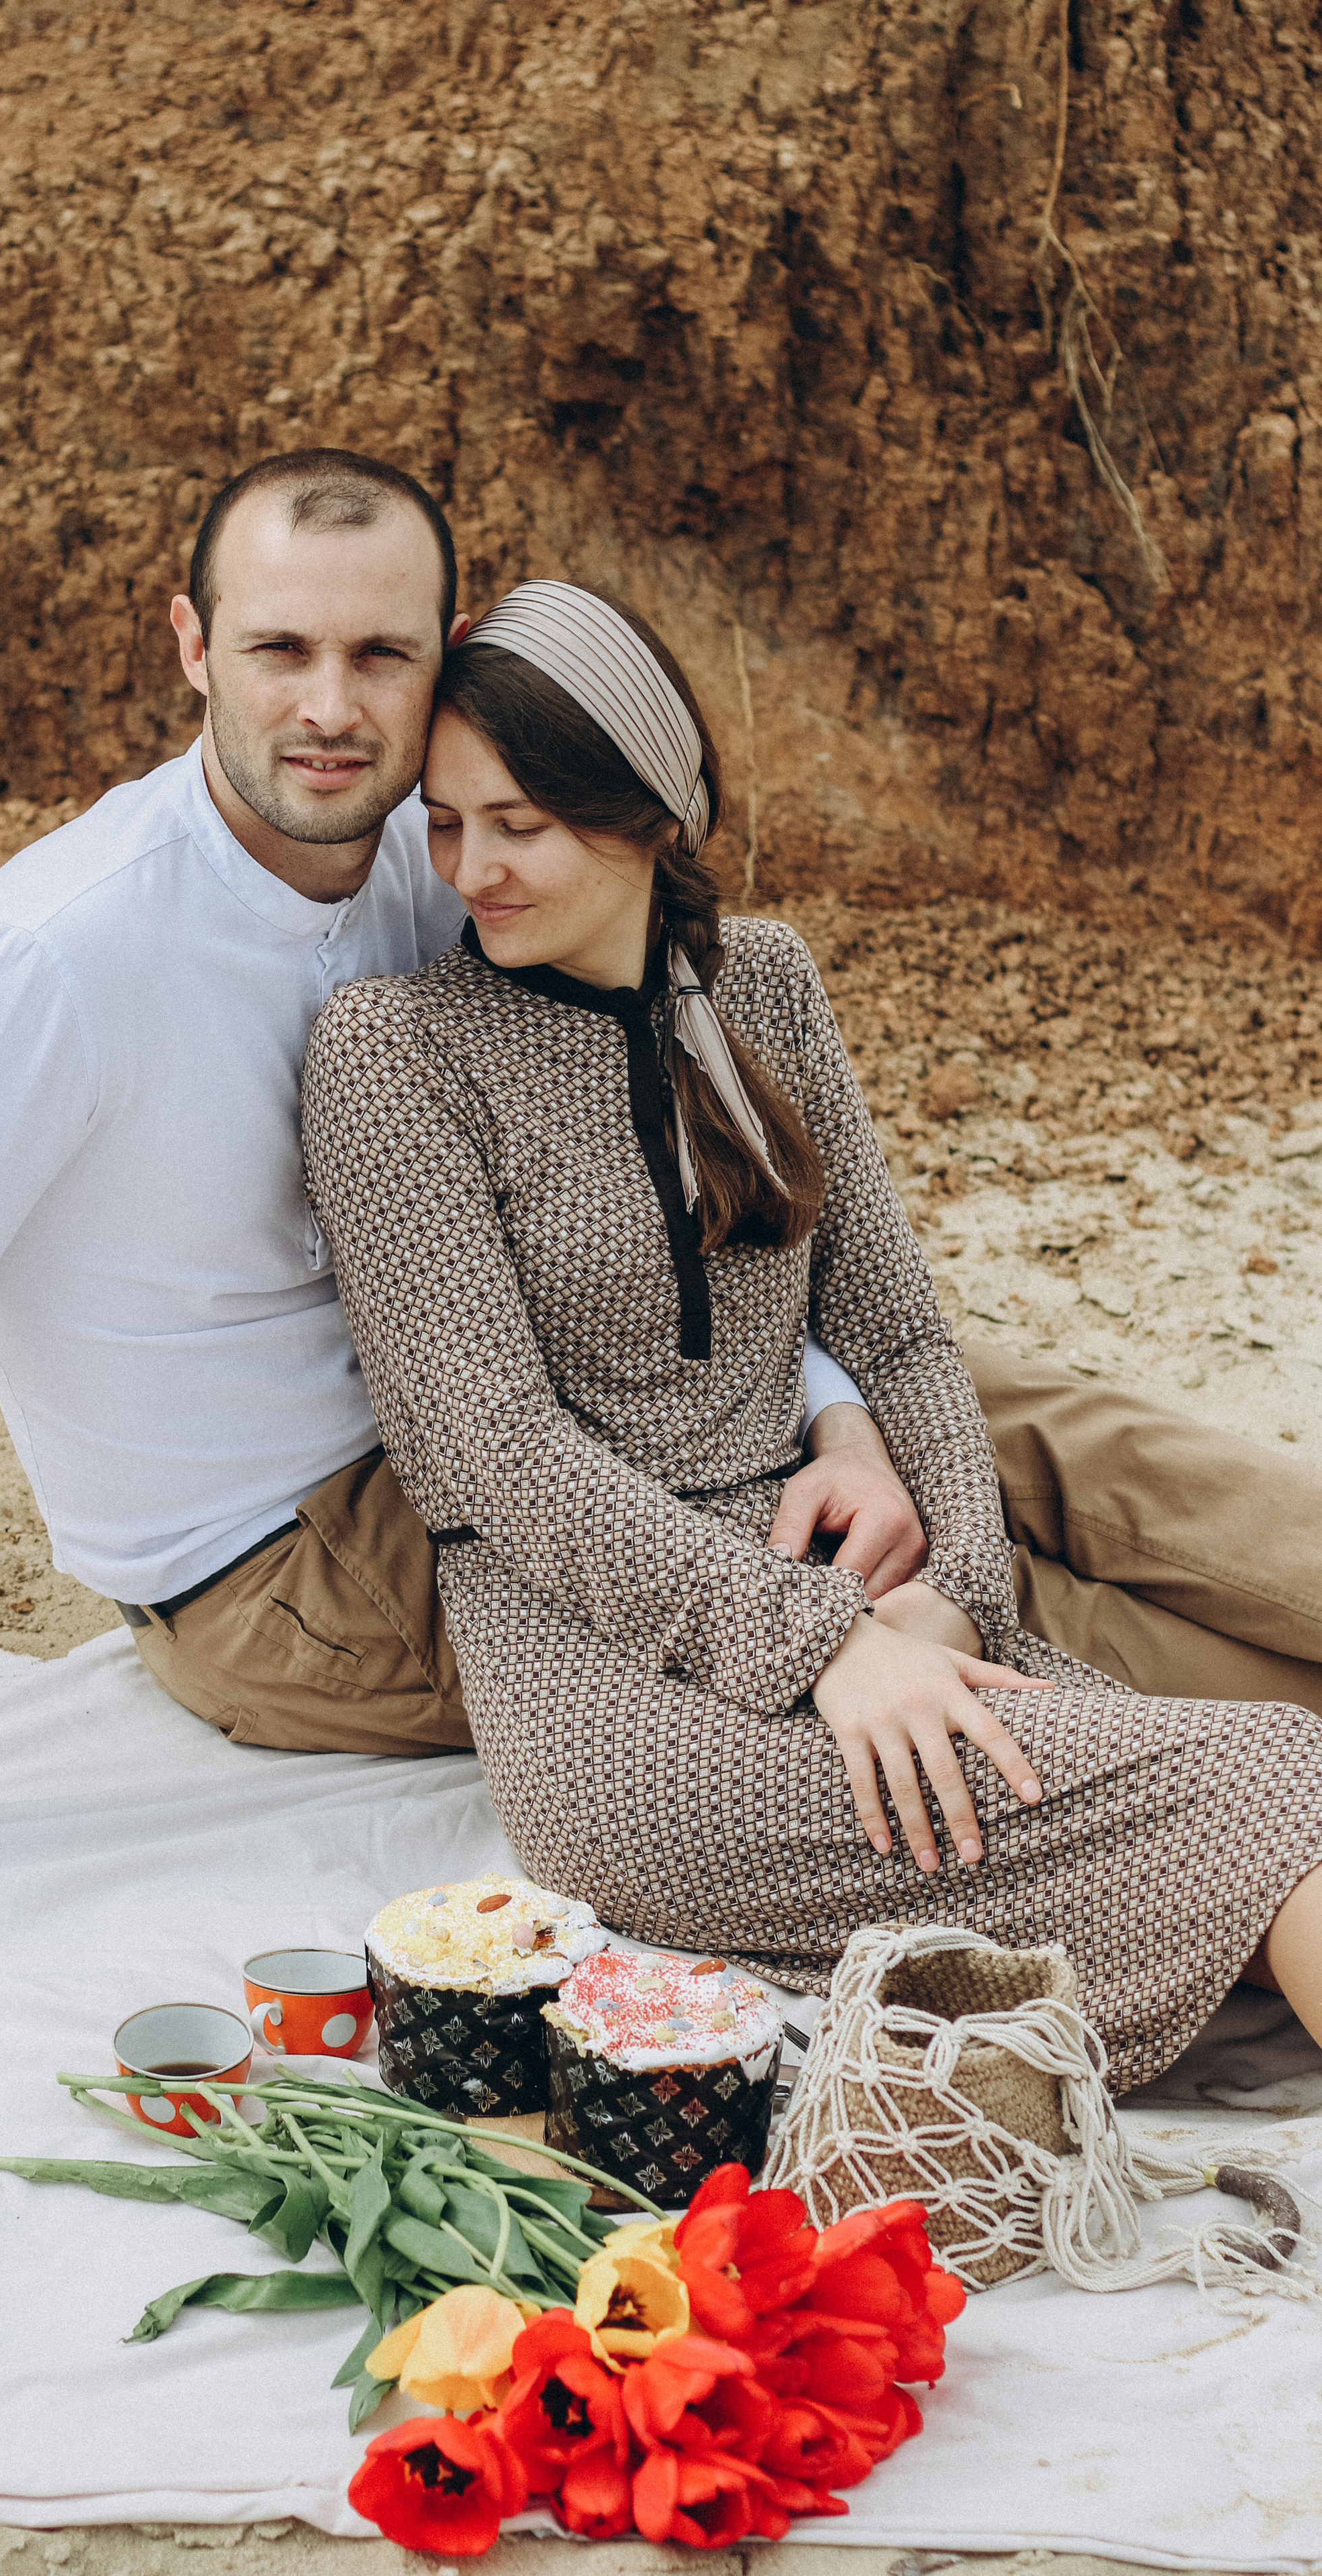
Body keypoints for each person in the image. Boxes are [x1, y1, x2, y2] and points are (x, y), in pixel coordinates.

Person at [0, 455, 1319, 1999]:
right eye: (281, 651)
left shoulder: (445, 851)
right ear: (192, 646)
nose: (333, 709)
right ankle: (1238, 1793)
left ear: (451, 651)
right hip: (301, 1558)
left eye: (382, 657)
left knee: (1017, 1418)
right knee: (951, 1610)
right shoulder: (40, 972)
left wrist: (834, 1404)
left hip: (566, 1384)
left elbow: (676, 1184)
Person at [300, 580, 1322, 2090]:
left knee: (1211, 1801)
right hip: (612, 1687)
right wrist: (825, 1644)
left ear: (647, 809)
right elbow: (490, 1463)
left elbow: (899, 1337)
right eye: (445, 826)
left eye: (517, 821)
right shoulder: (393, 1051)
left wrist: (954, 1605)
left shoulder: (763, 981)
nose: (471, 870)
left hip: (862, 1611)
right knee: (1275, 1780)